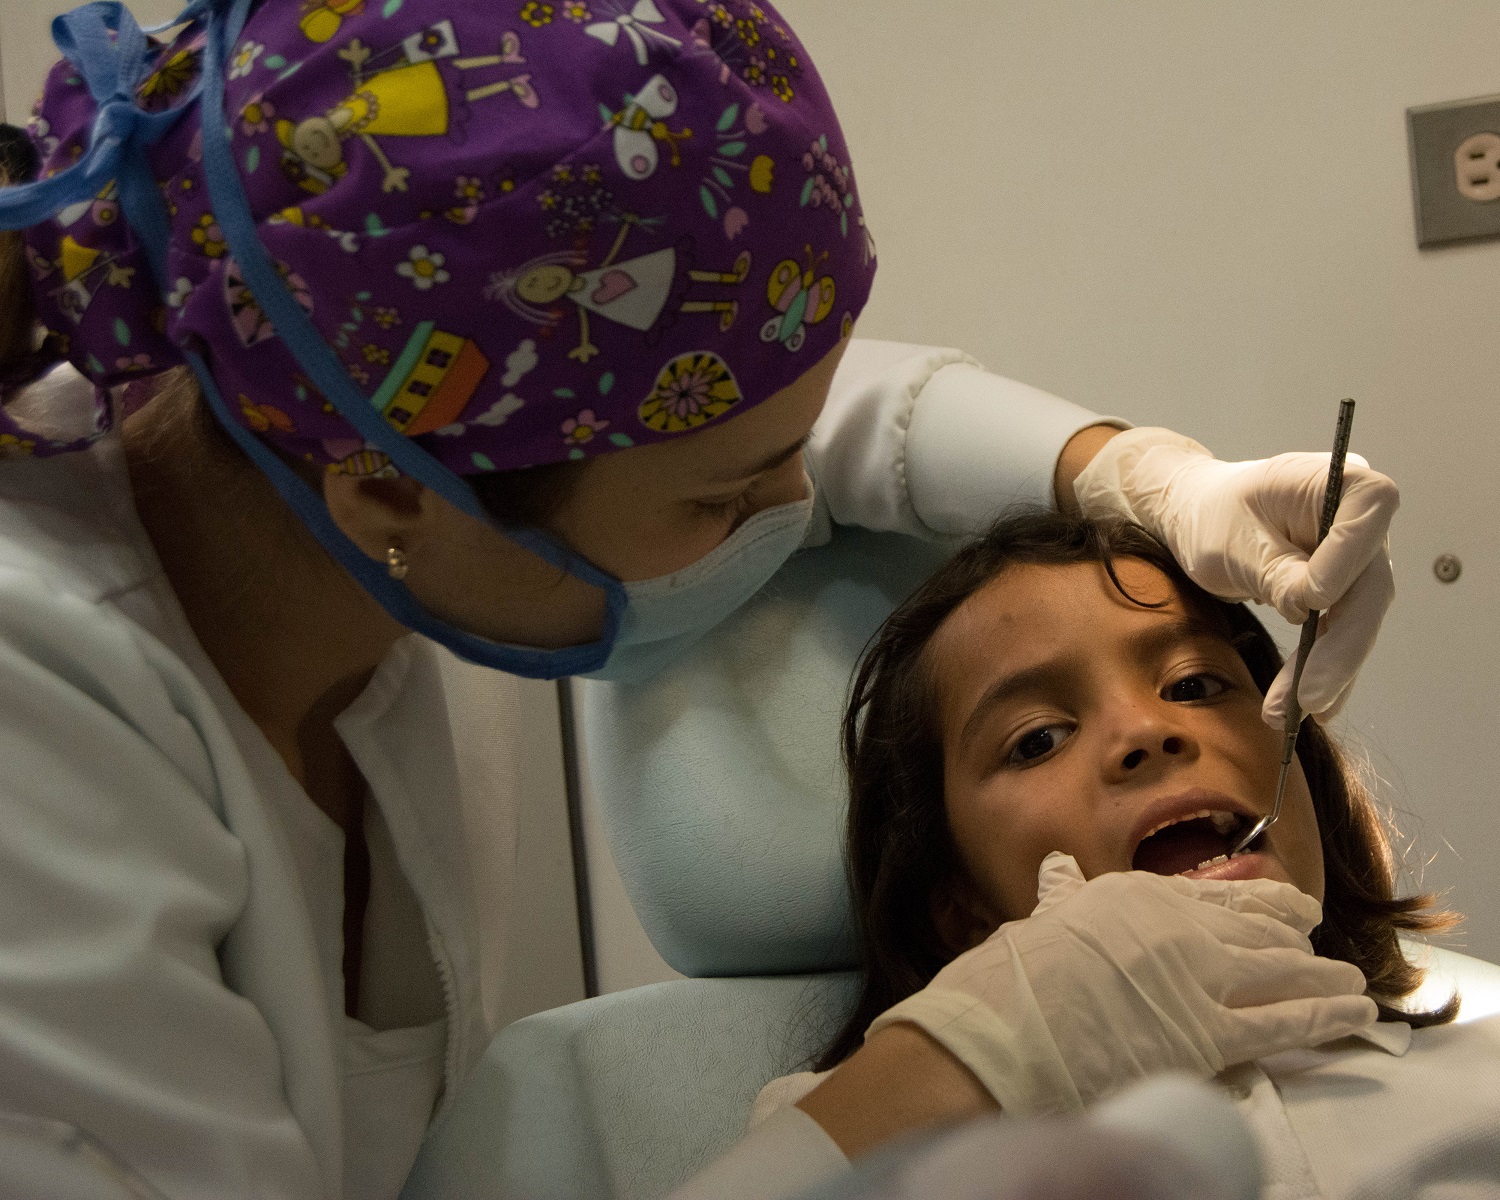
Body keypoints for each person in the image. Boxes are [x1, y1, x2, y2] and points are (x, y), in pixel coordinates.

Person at [0, 1, 1403, 1196]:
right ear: (391, 497)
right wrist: (942, 1072)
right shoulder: (42, 743)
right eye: (727, 504)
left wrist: (1143, 477)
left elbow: (704, 383)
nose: (795, 521)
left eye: (1194, 678)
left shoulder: (354, 432)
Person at [727, 511, 1500, 1198]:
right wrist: (978, 1054)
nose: (1147, 732)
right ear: (960, 911)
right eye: (1036, 737)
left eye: (1199, 684)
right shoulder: (873, 1125)